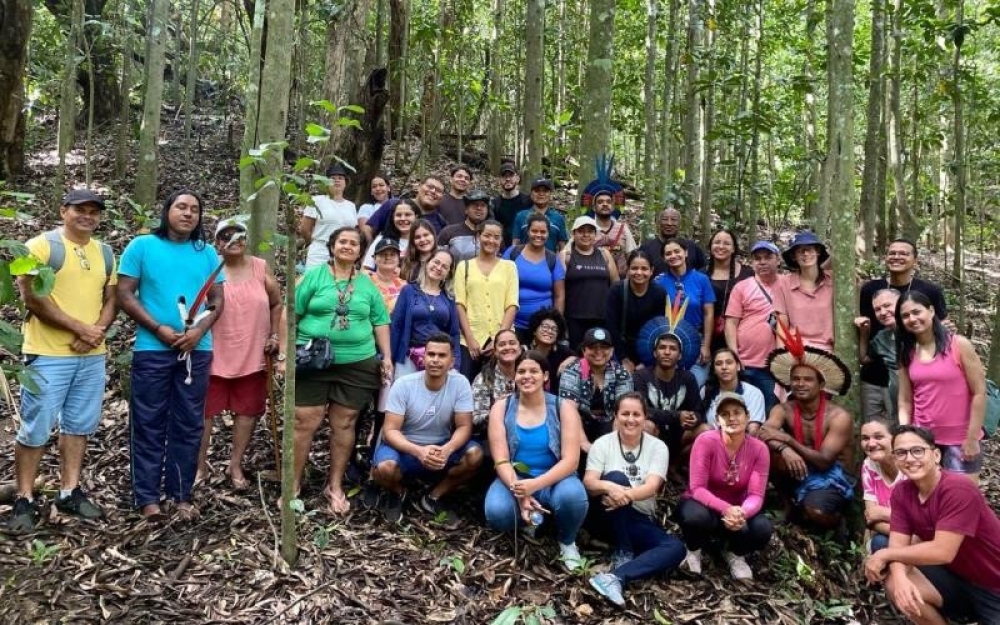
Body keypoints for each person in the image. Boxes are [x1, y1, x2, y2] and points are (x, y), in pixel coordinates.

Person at [8, 189, 117, 531]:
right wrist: (81, 329)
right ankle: (24, 498)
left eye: (94, 211)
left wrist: (96, 331)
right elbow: (31, 296)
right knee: (36, 425)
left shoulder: (106, 253)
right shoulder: (40, 245)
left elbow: (111, 297)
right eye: (80, 209)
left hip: (91, 356)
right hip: (47, 353)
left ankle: (69, 491)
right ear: (63, 210)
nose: (88, 216)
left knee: (79, 424)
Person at [118, 189, 224, 521]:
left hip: (197, 351)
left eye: (194, 209)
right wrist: (158, 328)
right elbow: (124, 293)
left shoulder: (207, 253)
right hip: (153, 350)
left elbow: (217, 301)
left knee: (189, 424)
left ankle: (181, 495)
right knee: (148, 422)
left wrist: (199, 332)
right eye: (181, 207)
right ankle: (147, 498)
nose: (188, 213)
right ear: (167, 211)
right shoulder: (142, 247)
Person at [291, 226, 392, 515]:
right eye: (342, 241)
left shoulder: (367, 284)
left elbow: (380, 321)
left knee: (345, 423)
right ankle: (293, 485)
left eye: (354, 243)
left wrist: (386, 356)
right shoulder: (313, 277)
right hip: (312, 359)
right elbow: (290, 314)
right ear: (333, 246)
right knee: (304, 421)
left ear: (361, 251)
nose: (348, 246)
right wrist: (286, 353)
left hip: (357, 363)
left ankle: (334, 485)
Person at [864, 425, 1000, 625]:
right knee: (895, 580)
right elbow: (897, 545)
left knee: (886, 554)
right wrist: (899, 579)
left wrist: (884, 555)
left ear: (936, 455)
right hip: (955, 578)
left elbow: (942, 551)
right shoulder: (902, 492)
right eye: (901, 453)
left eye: (917, 451)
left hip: (994, 585)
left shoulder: (958, 489)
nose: (909, 459)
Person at [197, 218, 282, 490]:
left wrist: (275, 335)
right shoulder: (209, 269)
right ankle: (198, 466)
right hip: (213, 351)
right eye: (227, 236)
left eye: (240, 235)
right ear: (218, 242)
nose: (234, 240)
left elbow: (276, 303)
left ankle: (235, 464)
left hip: (253, 353)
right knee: (204, 413)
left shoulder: (260, 267)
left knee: (247, 411)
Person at [484, 351, 589, 572]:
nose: (527, 376)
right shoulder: (501, 407)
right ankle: (530, 521)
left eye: (534, 371)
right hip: (517, 479)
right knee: (496, 512)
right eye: (521, 371)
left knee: (573, 497)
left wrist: (534, 485)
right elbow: (501, 460)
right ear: (514, 376)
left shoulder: (563, 407)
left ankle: (567, 541)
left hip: (556, 478)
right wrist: (521, 491)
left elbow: (571, 461)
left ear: (545, 376)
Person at [584, 392, 685, 607]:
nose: (631, 419)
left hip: (638, 518)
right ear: (616, 416)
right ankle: (623, 550)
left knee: (676, 548)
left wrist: (625, 495)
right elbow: (590, 483)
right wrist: (610, 486)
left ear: (645, 417)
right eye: (625, 414)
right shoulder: (602, 444)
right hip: (606, 517)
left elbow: (652, 487)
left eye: (636, 414)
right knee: (616, 477)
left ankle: (616, 577)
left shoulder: (658, 447)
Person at [369, 333, 482, 524]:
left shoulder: (460, 383)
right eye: (431, 354)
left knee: (475, 455)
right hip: (406, 448)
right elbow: (390, 431)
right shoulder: (404, 384)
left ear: (452, 360)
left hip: (441, 447)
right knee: (384, 469)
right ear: (423, 357)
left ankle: (433, 498)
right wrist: (419, 451)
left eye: (442, 355)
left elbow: (464, 426)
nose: (435, 360)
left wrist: (447, 449)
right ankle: (398, 493)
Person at [760, 332, 854, 530]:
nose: (800, 384)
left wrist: (789, 441)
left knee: (815, 513)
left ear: (821, 385)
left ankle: (838, 521)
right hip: (801, 467)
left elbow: (824, 461)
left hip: (832, 476)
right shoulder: (784, 408)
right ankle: (789, 508)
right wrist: (785, 450)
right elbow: (763, 432)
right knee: (765, 449)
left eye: (808, 380)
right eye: (796, 379)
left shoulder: (838, 416)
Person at [676, 392, 773, 580]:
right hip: (704, 505)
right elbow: (697, 488)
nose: (732, 418)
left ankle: (735, 554)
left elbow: (756, 494)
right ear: (717, 420)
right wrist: (727, 509)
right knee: (695, 518)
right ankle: (694, 551)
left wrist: (741, 513)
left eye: (737, 412)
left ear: (747, 417)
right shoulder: (706, 441)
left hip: (738, 508)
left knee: (762, 529)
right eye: (725, 414)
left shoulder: (759, 449)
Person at [896, 291, 985, 484]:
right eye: (905, 315)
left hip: (959, 440)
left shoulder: (959, 345)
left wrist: (971, 439)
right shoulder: (906, 352)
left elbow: (979, 392)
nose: (912, 318)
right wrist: (905, 432)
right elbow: (905, 399)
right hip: (923, 439)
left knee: (962, 499)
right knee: (928, 500)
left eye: (916, 312)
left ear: (931, 311)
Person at [856, 239, 948, 422]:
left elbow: (943, 331)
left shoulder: (930, 291)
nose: (896, 257)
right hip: (874, 375)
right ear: (885, 258)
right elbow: (867, 328)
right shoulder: (870, 290)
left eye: (904, 253)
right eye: (892, 253)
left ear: (915, 260)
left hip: (915, 378)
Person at [455, 219, 519, 381]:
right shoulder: (464, 266)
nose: (491, 240)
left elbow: (512, 304)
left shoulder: (509, 267)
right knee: (466, 384)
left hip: (503, 339)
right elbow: (460, 304)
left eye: (496, 237)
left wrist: (499, 340)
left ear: (501, 240)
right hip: (471, 338)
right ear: (478, 237)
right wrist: (470, 339)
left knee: (500, 387)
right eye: (487, 235)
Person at [725, 240, 783, 413]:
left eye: (767, 257)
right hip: (745, 362)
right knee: (742, 412)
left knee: (770, 411)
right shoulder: (742, 287)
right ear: (752, 263)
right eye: (757, 258)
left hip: (774, 365)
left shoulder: (788, 284)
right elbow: (731, 322)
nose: (762, 262)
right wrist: (734, 354)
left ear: (778, 260)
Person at [633, 332, 705, 468]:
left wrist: (694, 418)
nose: (667, 352)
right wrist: (677, 416)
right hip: (654, 433)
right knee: (645, 425)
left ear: (680, 356)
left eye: (672, 349)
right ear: (655, 353)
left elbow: (698, 410)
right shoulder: (641, 376)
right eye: (662, 348)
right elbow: (640, 410)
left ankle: (676, 468)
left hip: (679, 436)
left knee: (705, 430)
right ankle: (647, 473)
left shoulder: (688, 378)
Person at [559, 328, 633, 453]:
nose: (598, 352)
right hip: (579, 424)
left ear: (611, 350)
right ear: (584, 350)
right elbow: (569, 410)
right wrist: (584, 443)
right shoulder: (572, 370)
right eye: (593, 347)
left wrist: (613, 446)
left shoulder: (621, 373)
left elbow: (623, 410)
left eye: (604, 347)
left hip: (610, 426)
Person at [390, 248, 461, 378]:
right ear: (427, 262)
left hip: (438, 359)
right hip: (408, 356)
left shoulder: (449, 298)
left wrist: (455, 364)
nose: (439, 268)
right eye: (436, 262)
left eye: (444, 267)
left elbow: (454, 333)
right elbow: (396, 326)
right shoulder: (408, 291)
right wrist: (389, 359)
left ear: (448, 274)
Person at [654, 237, 715, 386]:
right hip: (667, 341)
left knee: (694, 384)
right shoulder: (658, 282)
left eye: (677, 251)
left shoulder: (701, 279)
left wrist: (705, 345)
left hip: (696, 338)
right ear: (663, 258)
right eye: (668, 253)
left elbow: (709, 313)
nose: (673, 256)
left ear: (686, 253)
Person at [503, 214, 566, 343]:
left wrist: (556, 323)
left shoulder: (553, 259)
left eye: (543, 232)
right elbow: (499, 285)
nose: (538, 235)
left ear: (548, 234)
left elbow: (559, 295)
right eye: (534, 231)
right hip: (512, 324)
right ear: (527, 232)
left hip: (542, 328)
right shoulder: (513, 253)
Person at [606, 250, 668, 373]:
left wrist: (647, 360)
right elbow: (611, 326)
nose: (639, 272)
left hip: (648, 349)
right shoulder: (617, 290)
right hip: (620, 347)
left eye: (644, 269)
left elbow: (660, 328)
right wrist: (623, 358)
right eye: (634, 268)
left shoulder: (659, 293)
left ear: (651, 271)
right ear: (628, 270)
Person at [560, 215, 619, 347]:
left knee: (599, 354)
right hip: (574, 317)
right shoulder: (566, 255)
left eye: (590, 231)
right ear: (573, 233)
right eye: (581, 231)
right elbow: (560, 289)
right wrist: (561, 319)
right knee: (577, 355)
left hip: (601, 316)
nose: (586, 235)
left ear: (595, 234)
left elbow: (615, 284)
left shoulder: (604, 254)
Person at [773, 231, 834, 351]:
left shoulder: (833, 280)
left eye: (810, 249)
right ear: (794, 257)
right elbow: (782, 325)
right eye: (800, 251)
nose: (805, 254)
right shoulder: (784, 284)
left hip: (830, 350)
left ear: (818, 252)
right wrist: (780, 355)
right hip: (798, 350)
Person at [579, 159, 635, 276]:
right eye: (600, 202)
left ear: (613, 206)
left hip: (620, 281)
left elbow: (632, 256)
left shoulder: (623, 229)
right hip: (594, 280)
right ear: (593, 207)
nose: (605, 204)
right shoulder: (585, 230)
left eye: (608, 202)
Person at [704, 229, 754, 353]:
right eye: (717, 242)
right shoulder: (700, 275)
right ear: (710, 247)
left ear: (733, 249)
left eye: (726, 243)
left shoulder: (748, 274)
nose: (721, 246)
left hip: (740, 337)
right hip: (707, 338)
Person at [859, 418, 904, 553]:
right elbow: (871, 517)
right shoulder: (869, 465)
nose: (871, 444)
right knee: (880, 543)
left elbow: (919, 522)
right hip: (893, 536)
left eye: (878, 437)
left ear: (895, 439)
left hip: (923, 542)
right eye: (865, 438)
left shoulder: (909, 466)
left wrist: (883, 513)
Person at [300, 163, 358, 268]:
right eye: (332, 178)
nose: (337, 180)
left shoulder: (351, 206)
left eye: (340, 178)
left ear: (346, 183)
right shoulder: (316, 201)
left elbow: (354, 230)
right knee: (315, 282)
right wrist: (316, 244)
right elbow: (304, 229)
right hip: (320, 252)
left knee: (340, 283)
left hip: (345, 252)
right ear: (326, 183)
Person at [859, 288, 902, 420]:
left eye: (887, 306)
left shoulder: (918, 329)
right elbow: (864, 358)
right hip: (896, 399)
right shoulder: (882, 337)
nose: (883, 312)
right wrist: (865, 332)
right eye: (877, 309)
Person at [471, 329, 521, 441]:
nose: (508, 347)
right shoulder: (483, 378)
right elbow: (475, 418)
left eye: (512, 343)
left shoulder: (528, 373)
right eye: (502, 344)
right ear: (495, 351)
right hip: (492, 437)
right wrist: (497, 409)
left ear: (520, 348)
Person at [701, 347, 766, 432]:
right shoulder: (705, 391)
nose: (724, 367)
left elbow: (753, 430)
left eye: (729, 362)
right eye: (719, 364)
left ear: (738, 366)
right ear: (714, 370)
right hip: (712, 441)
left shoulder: (753, 393)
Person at [363, 175, 448, 239]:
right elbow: (368, 228)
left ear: (442, 197)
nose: (433, 191)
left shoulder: (441, 222)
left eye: (438, 190)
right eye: (430, 187)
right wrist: (370, 249)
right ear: (419, 187)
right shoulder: (394, 204)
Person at [638, 207, 706, 276]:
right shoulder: (646, 248)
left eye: (674, 220)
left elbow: (703, 269)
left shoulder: (692, 247)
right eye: (665, 219)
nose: (669, 223)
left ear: (680, 224)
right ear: (658, 223)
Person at [511, 179, 569, 252]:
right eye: (537, 190)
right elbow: (515, 244)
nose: (541, 194)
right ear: (531, 194)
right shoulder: (521, 216)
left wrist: (561, 262)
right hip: (524, 261)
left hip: (550, 262)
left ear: (550, 194)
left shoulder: (558, 218)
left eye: (545, 191)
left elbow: (562, 248)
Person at [524, 308, 574, 393]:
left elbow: (581, 359)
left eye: (554, 329)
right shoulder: (525, 350)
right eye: (545, 327)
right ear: (534, 331)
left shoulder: (562, 352)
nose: (549, 331)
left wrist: (571, 359)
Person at [361, 198, 415, 271]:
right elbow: (365, 270)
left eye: (408, 214)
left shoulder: (421, 241)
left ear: (416, 216)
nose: (402, 218)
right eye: (398, 215)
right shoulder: (382, 240)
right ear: (393, 218)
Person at [438, 189, 489, 263]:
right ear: (466, 210)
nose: (479, 208)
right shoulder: (448, 232)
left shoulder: (492, 235)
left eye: (483, 205)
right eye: (475, 205)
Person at [491, 161, 532, 248]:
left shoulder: (528, 201)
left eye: (511, 175)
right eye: (504, 176)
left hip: (525, 248)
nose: (508, 179)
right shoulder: (494, 204)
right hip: (502, 250)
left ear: (517, 178)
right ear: (499, 180)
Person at [364, 238, 406, 315]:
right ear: (374, 258)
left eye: (392, 254)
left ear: (398, 259)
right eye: (383, 254)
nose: (388, 257)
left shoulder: (405, 286)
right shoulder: (365, 281)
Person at [401, 218, 439, 282]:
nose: (422, 239)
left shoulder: (443, 259)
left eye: (426, 235)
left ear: (433, 235)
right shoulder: (406, 263)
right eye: (417, 237)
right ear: (412, 241)